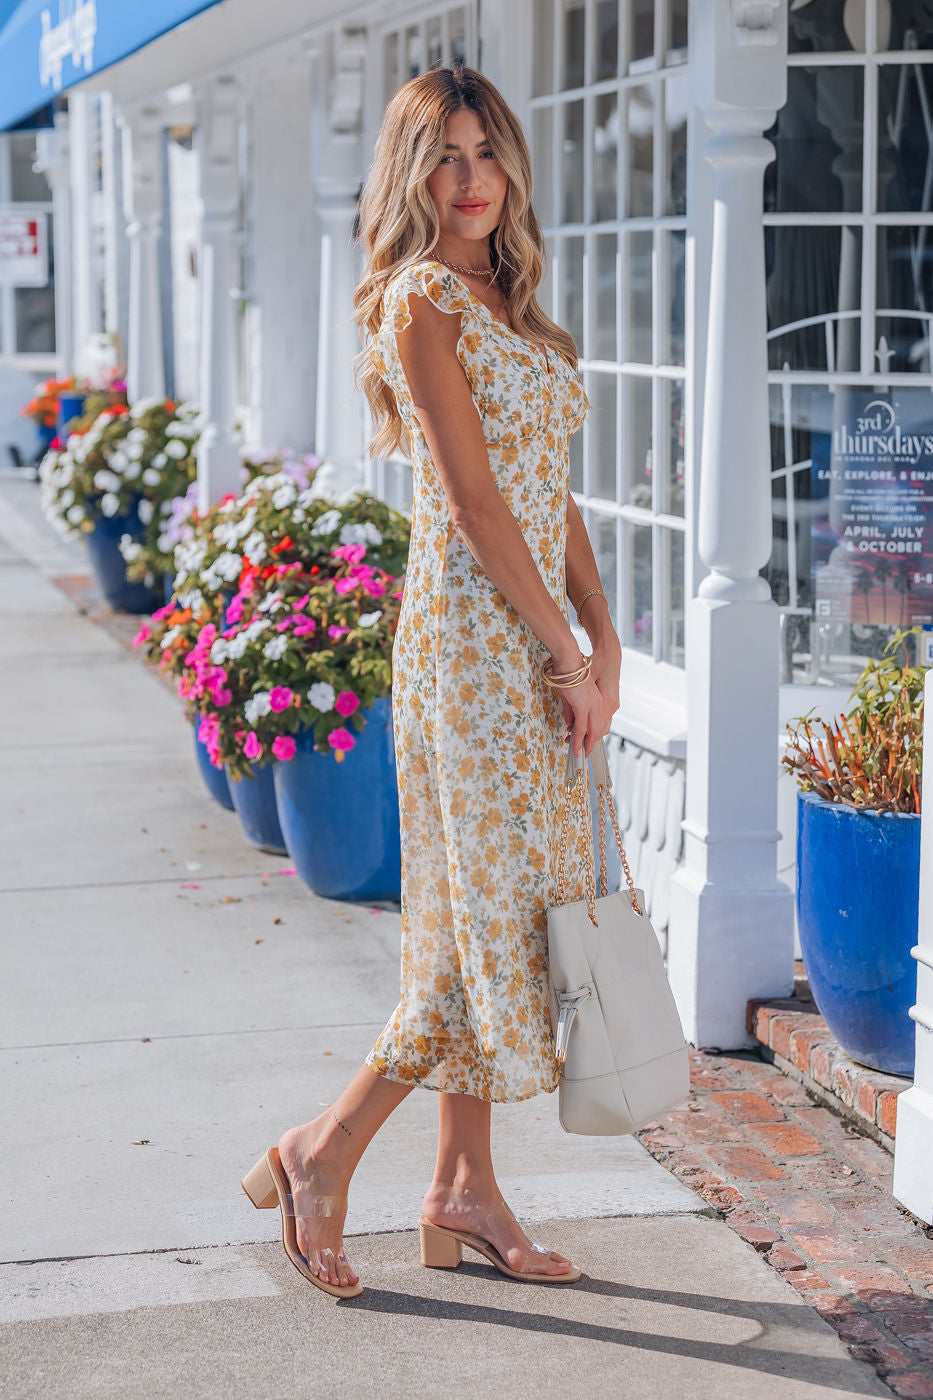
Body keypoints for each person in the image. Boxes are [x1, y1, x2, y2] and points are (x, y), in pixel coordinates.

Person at [240, 62, 622, 1299]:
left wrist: (603, 637)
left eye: (486, 152)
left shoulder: (510, 301)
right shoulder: (420, 302)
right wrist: (561, 650)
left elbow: (545, 486)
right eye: (446, 157)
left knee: (499, 920)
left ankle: (464, 1185)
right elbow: (468, 502)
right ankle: (325, 1148)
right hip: (469, 644)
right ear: (416, 174)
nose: (471, 179)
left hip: (542, 642)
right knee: (472, 937)